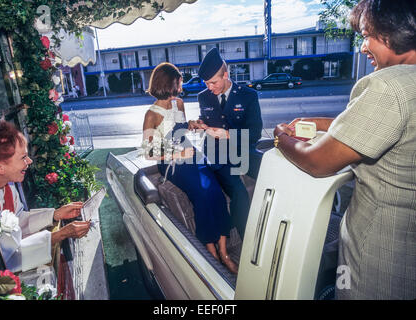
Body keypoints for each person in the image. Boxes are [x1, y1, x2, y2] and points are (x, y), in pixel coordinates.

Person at [273, 0, 415, 300]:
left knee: (346, 291)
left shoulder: (387, 85)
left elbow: (318, 162)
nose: (363, 48)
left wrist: (280, 139)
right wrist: (325, 124)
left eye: (367, 36)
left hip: (375, 254)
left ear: (394, 33)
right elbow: (388, 127)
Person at [142, 62, 238, 274]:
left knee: (216, 193)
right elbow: (148, 153)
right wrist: (178, 154)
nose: (181, 83)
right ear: (169, 82)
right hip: (172, 161)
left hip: (191, 153)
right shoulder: (152, 114)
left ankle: (225, 253)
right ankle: (211, 252)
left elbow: (180, 128)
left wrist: (191, 124)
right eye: (179, 80)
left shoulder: (179, 103)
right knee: (203, 195)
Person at [0, 121, 91, 273]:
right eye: (23, 157)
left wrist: (55, 214)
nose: (30, 161)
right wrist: (59, 235)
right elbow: (4, 257)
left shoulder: (8, 185)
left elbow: (19, 219)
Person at [189, 47, 263, 239]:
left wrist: (228, 134)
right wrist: (200, 124)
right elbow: (207, 117)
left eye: (213, 82)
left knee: (273, 170)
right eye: (206, 83)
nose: (210, 88)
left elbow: (255, 133)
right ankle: (247, 240)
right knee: (238, 192)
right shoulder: (203, 96)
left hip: (243, 151)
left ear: (225, 75)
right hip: (218, 156)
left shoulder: (248, 96)